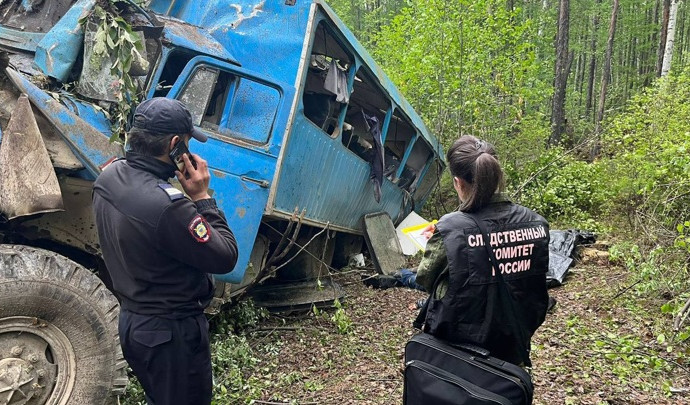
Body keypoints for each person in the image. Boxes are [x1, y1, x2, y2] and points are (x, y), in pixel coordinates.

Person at [92, 97, 239, 405]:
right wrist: (201, 196)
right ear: (174, 145)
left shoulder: (109, 176)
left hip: (134, 322)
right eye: (186, 144)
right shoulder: (169, 207)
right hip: (171, 335)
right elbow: (225, 256)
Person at [415, 135, 549, 367]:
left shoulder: (451, 229)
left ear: (458, 183)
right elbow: (533, 286)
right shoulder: (537, 223)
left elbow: (427, 280)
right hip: (511, 352)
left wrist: (440, 240)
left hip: (458, 353)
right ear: (496, 173)